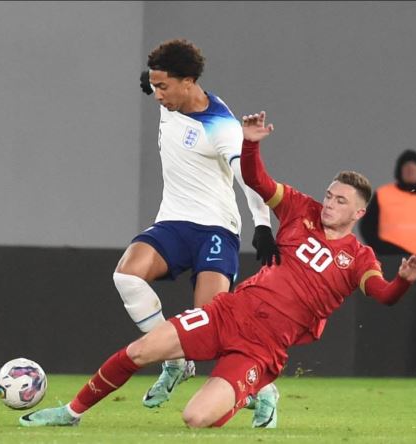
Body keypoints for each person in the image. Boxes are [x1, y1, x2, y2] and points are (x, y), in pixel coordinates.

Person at [19, 111, 416, 429]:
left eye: (340, 201)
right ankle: (70, 412)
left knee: (195, 418)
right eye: (329, 195)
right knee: (140, 351)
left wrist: (403, 281)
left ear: (358, 213)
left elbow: (384, 295)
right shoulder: (300, 209)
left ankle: (256, 391)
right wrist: (250, 145)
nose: (329, 204)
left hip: (263, 346)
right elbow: (257, 180)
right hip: (230, 312)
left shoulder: (359, 258)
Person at [114, 39, 279, 413]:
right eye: (154, 87)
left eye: (163, 86)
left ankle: (262, 389)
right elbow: (161, 83)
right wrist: (153, 80)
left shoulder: (222, 127)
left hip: (215, 229)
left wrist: (263, 225)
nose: (157, 95)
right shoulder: (171, 101)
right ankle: (175, 362)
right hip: (172, 222)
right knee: (126, 275)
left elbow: (250, 178)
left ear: (188, 82)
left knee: (210, 326)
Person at [359, 150, 416, 258]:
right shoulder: (382, 194)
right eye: (406, 168)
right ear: (399, 171)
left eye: (414, 168)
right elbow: (367, 229)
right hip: (391, 261)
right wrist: (386, 251)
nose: (410, 171)